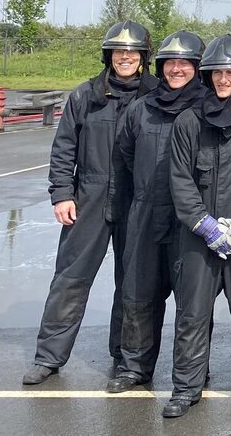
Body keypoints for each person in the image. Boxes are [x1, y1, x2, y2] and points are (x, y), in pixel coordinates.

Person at [23, 21, 157, 385]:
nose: (125, 58)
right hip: (89, 198)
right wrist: (62, 194)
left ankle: (125, 356)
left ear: (144, 57)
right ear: (109, 55)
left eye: (132, 52)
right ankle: (49, 356)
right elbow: (64, 148)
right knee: (70, 278)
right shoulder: (85, 96)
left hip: (138, 201)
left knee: (134, 283)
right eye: (119, 52)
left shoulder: (157, 96)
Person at [162, 35, 231, 418]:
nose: (223, 80)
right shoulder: (189, 122)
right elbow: (179, 179)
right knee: (192, 314)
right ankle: (186, 387)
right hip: (198, 238)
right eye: (216, 73)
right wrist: (204, 225)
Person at [107, 30, 207, 394]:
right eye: (170, 63)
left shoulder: (209, 108)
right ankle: (134, 366)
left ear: (197, 68)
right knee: (139, 293)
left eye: (184, 63)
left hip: (190, 218)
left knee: (192, 300)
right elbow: (126, 157)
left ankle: (195, 367)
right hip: (146, 214)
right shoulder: (141, 109)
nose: (176, 69)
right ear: (160, 66)